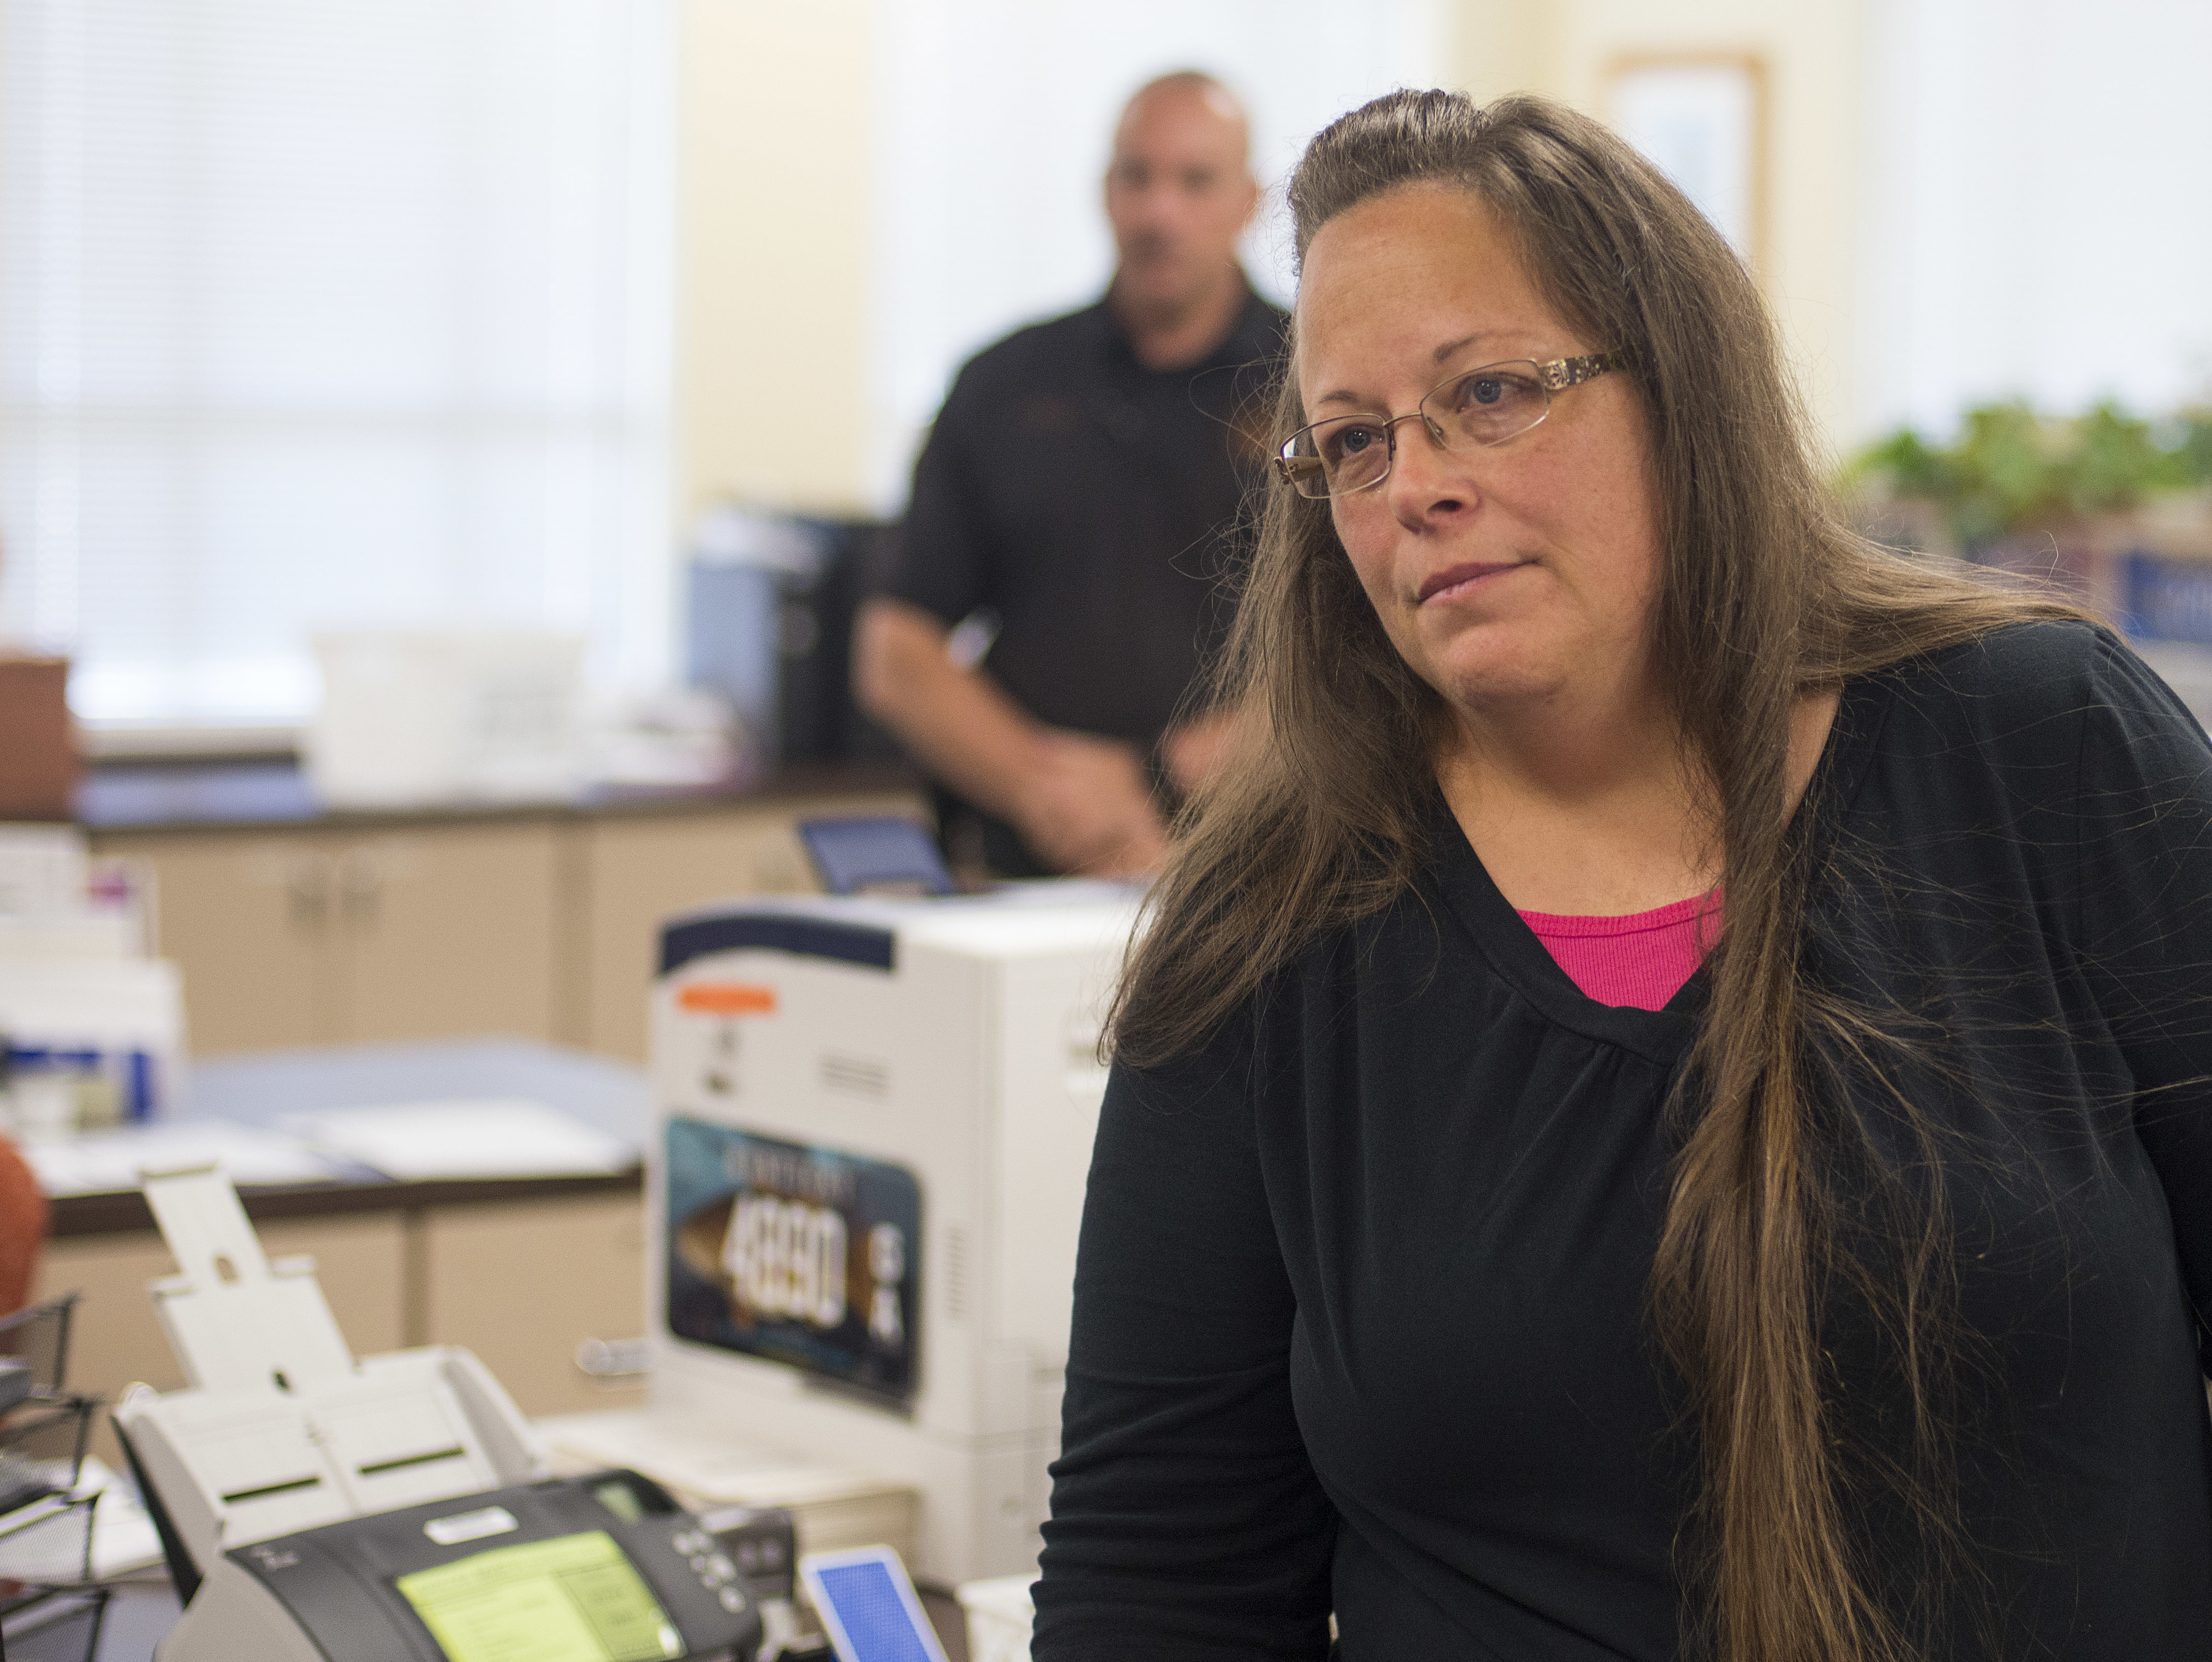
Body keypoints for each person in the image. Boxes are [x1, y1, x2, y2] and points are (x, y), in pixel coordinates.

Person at [1032, 90, 2212, 1662]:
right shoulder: (1267, 933)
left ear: (1679, 388)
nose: (1414, 489)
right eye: (1354, 443)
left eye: (1492, 391)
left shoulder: (2039, 751)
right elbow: (1156, 1584)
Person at [855, 71, 1286, 879]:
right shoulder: (1001, 385)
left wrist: (1163, 786)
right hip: (1028, 864)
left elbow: (1367, 653)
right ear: (1103, 191)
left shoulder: (1316, 386)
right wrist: (1054, 795)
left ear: (1248, 200)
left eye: (1194, 181)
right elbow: (896, 654)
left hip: (1257, 867)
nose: (1160, 212)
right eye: (1136, 176)